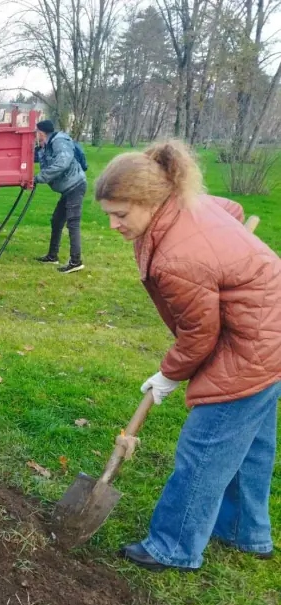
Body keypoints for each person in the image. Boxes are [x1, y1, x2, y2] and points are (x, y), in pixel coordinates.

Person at [94, 140, 281, 570]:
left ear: (151, 201)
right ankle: (244, 532)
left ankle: (173, 547)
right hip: (271, 332)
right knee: (250, 445)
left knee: (205, 450)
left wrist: (166, 376)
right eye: (108, 213)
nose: (112, 225)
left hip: (249, 346)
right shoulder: (187, 204)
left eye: (120, 214)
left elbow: (199, 337)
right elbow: (231, 209)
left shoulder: (177, 259)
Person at [34, 119, 87, 274]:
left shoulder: (59, 142)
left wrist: (40, 177)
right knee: (56, 221)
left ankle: (76, 262)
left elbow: (62, 163)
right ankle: (52, 256)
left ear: (41, 132)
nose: (35, 136)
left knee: (73, 223)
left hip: (75, 186)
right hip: (68, 188)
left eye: (36, 133)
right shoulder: (47, 145)